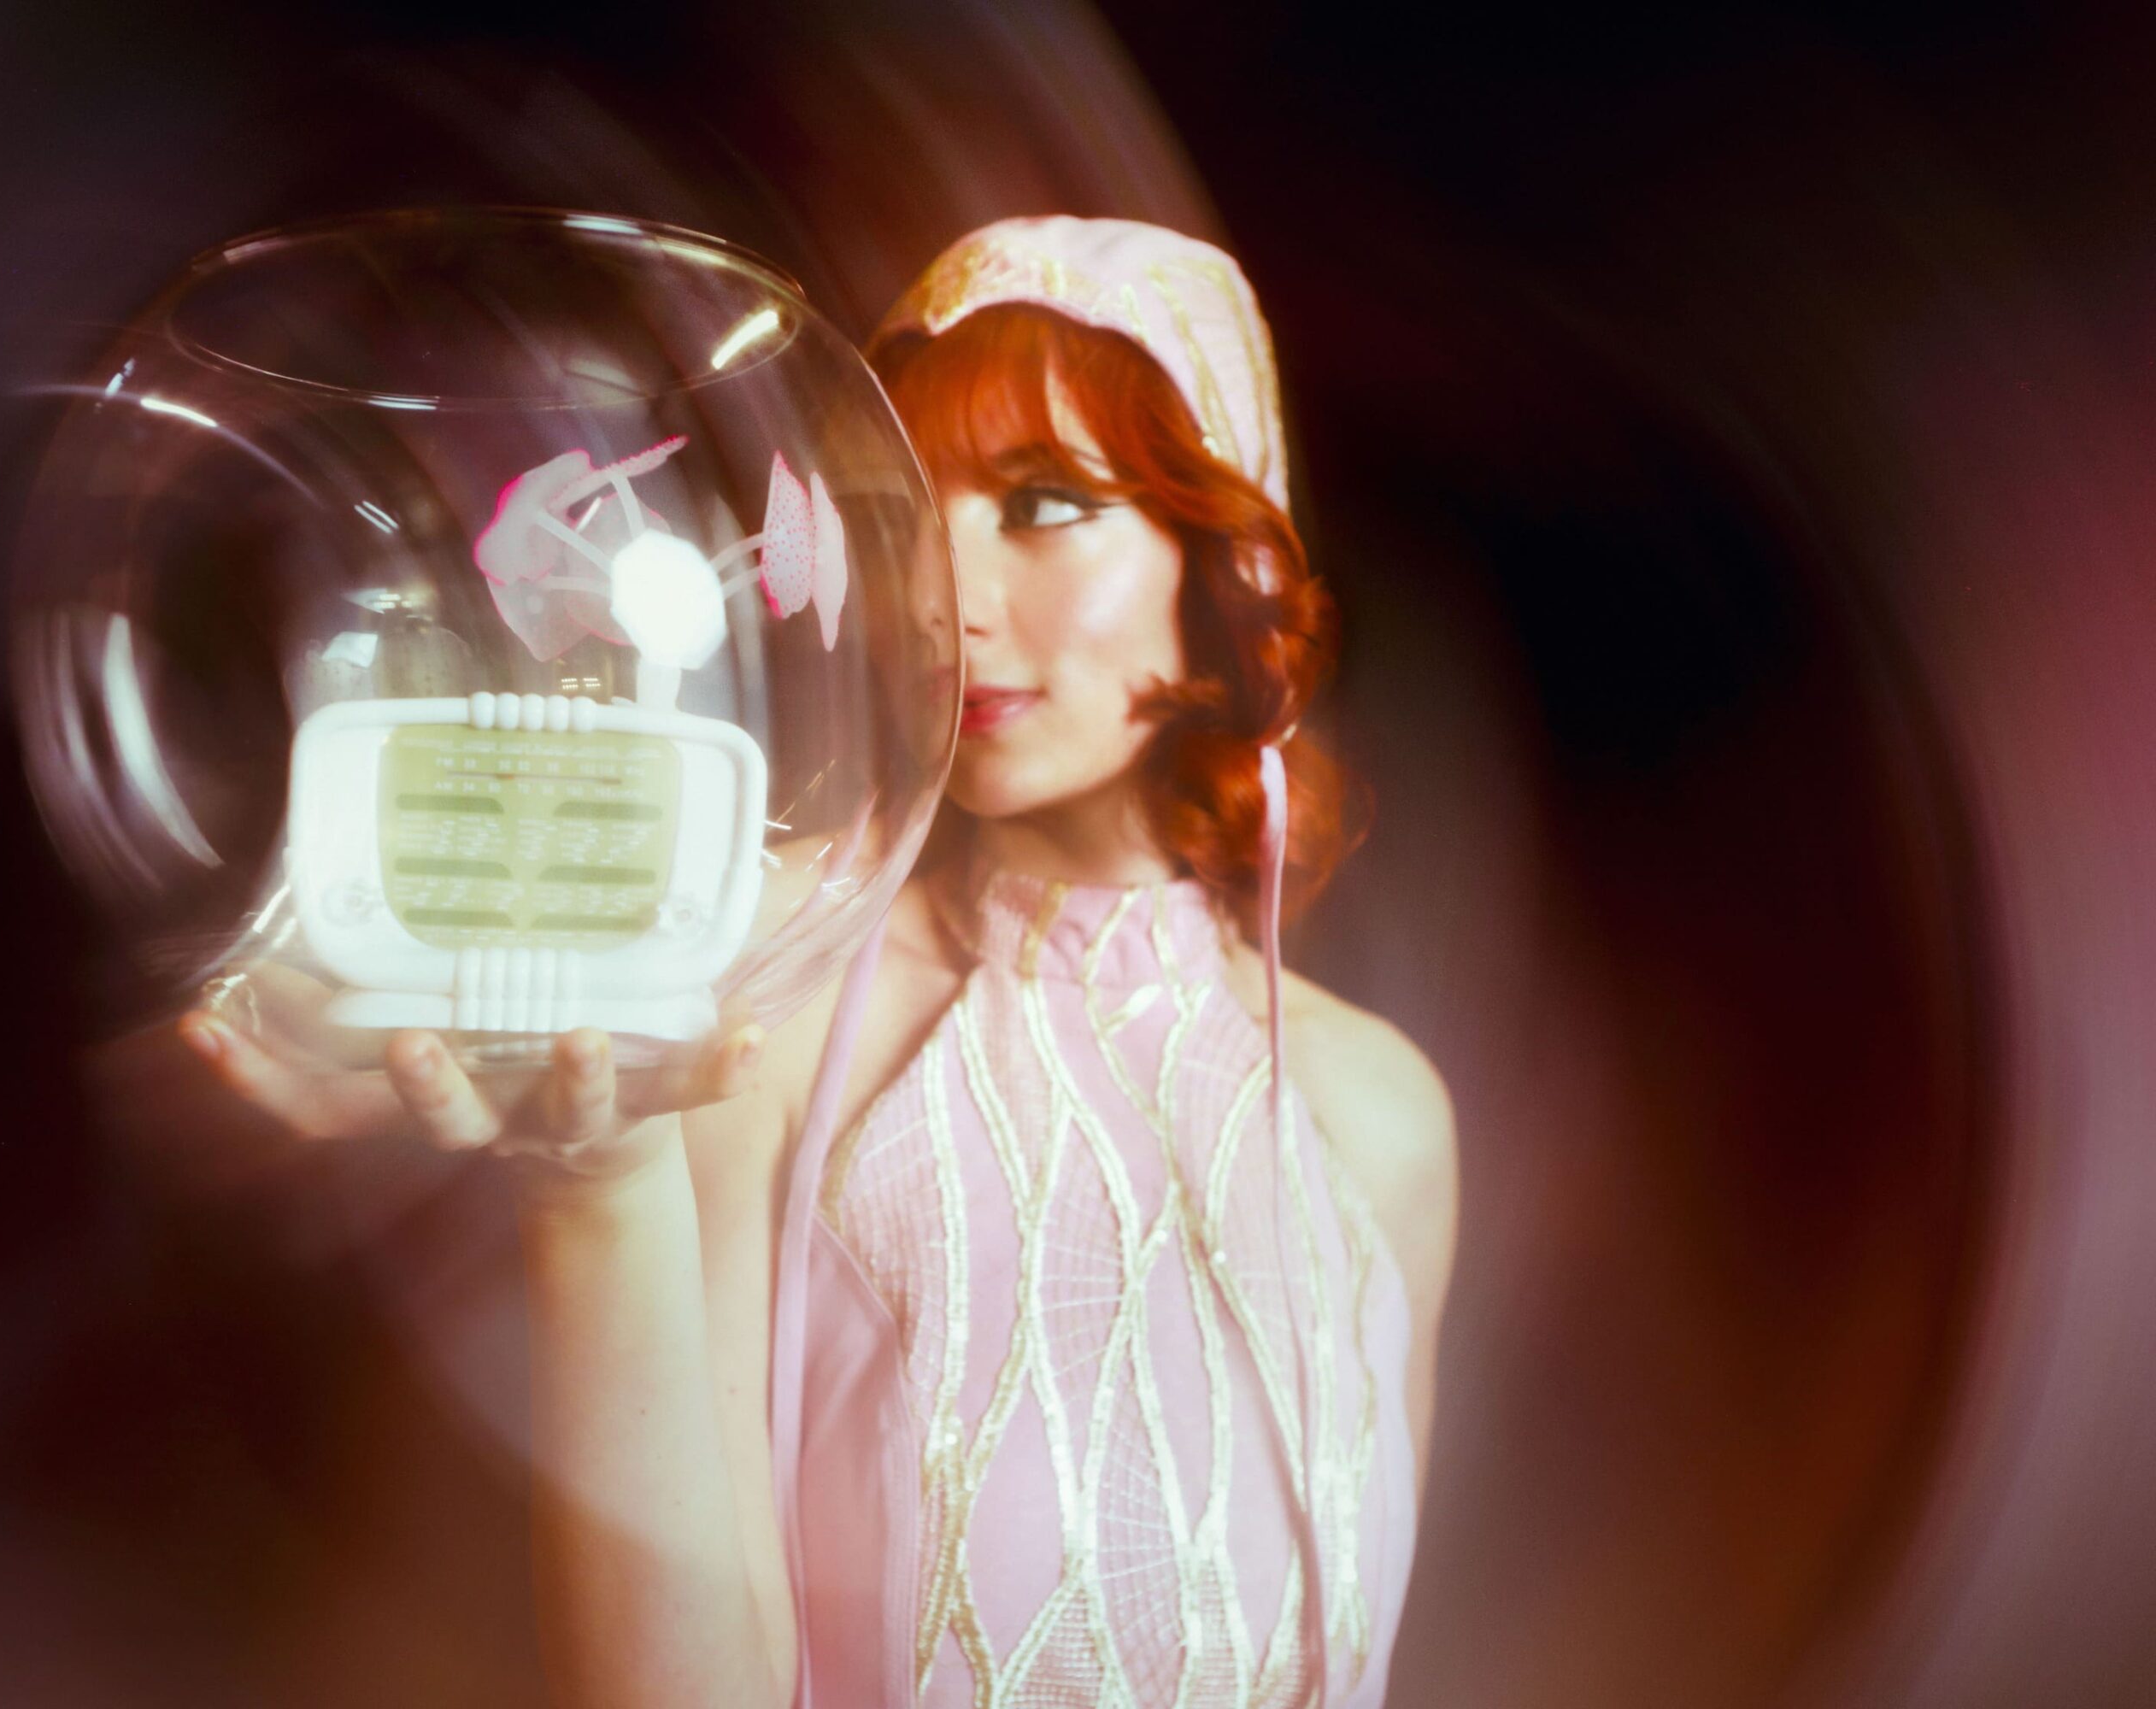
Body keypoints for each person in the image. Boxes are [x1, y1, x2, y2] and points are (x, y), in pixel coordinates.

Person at [181, 215, 1458, 1709]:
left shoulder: (1380, 1116)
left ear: (1228, 564)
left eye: (1043, 503)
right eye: (909, 511)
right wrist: (597, 1188)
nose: (945, 596)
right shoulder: (773, 989)